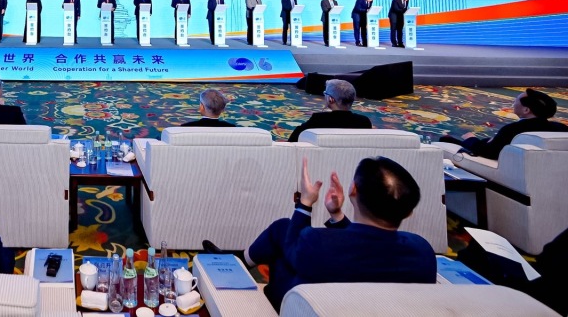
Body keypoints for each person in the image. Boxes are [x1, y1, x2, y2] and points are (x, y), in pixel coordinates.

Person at [239, 156, 435, 311]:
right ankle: (241, 261)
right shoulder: (423, 251)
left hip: (304, 307)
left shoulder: (317, 243)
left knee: (282, 232)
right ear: (409, 212)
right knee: (283, 229)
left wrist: (305, 202)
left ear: (353, 190)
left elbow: (294, 245)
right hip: (372, 308)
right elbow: (365, 244)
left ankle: (239, 263)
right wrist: (337, 215)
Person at [439, 89, 568, 159]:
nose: (513, 103)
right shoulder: (561, 128)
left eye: (516, 100)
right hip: (546, 170)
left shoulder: (513, 129)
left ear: (526, 110)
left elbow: (489, 153)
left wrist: (471, 139)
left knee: (446, 140)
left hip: (506, 168)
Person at [288, 79, 372, 142]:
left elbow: (292, 140)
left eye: (325, 93)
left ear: (331, 99)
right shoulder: (364, 122)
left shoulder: (318, 119)